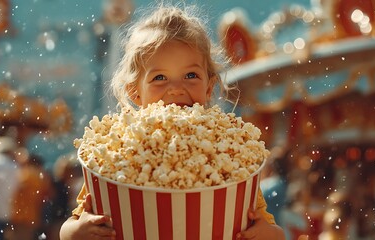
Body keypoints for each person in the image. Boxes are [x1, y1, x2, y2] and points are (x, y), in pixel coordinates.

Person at [60, 3, 285, 240]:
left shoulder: (231, 155)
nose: (176, 89)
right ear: (135, 92)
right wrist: (75, 233)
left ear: (209, 87)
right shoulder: (115, 156)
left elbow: (265, 223)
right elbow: (75, 222)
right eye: (160, 78)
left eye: (191, 75)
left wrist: (270, 235)